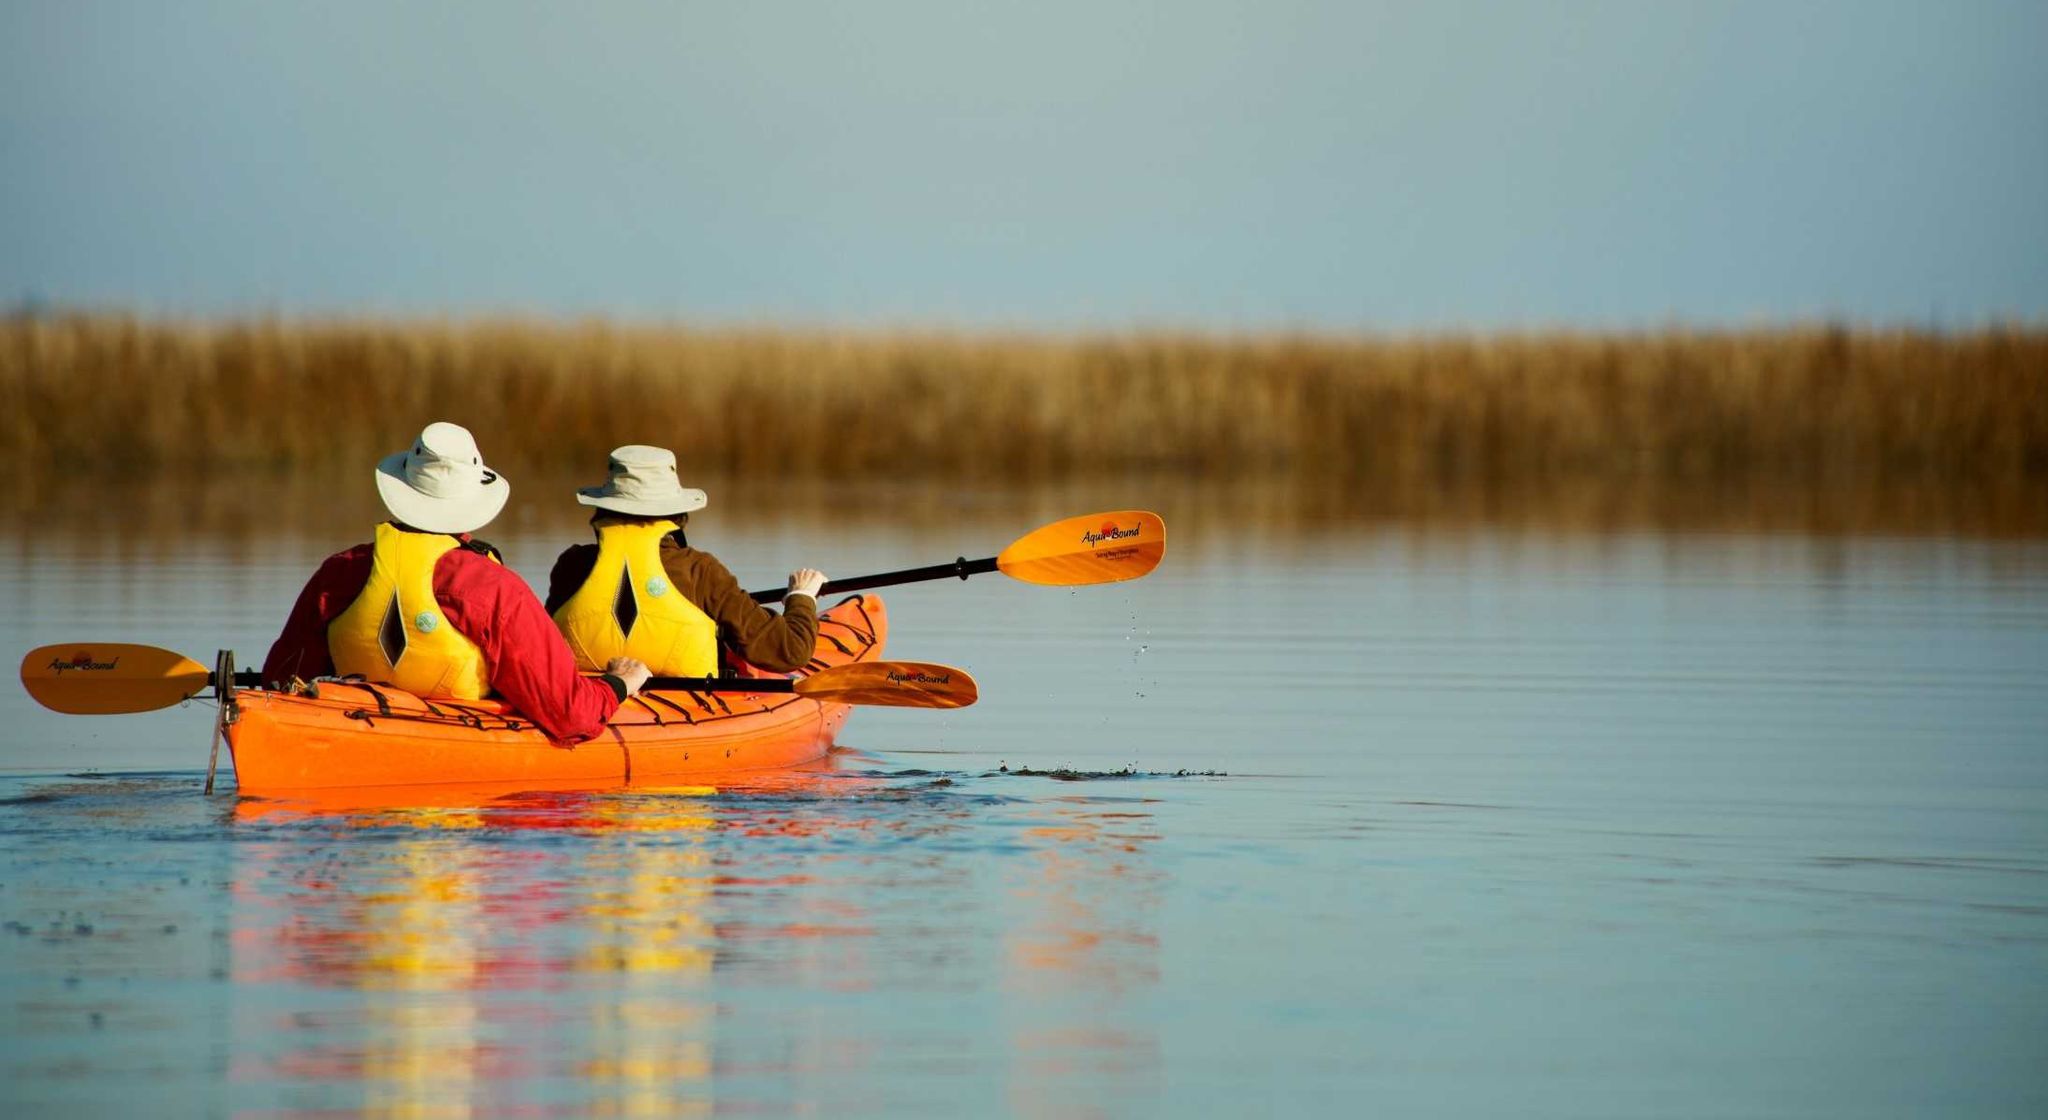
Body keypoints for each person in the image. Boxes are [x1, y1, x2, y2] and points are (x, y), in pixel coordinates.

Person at [262, 422, 652, 744]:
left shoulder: (340, 572)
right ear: (472, 499)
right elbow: (572, 716)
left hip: (355, 736)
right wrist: (619, 684)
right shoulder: (493, 587)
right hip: (456, 758)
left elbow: (279, 682)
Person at [546, 445, 826, 677]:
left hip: (592, 696)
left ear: (603, 508)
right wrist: (801, 597)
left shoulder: (572, 565)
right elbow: (790, 652)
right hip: (690, 701)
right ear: (676, 513)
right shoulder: (698, 570)